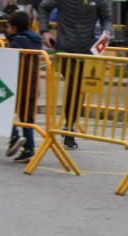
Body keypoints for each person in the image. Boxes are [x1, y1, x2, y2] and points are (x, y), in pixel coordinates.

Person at [37, 0, 113, 150]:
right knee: (73, 85)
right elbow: (43, 7)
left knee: (80, 89)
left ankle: (69, 125)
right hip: (65, 48)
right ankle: (70, 128)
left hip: (87, 50)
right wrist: (44, 31)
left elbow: (107, 18)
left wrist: (107, 33)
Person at [4, 10, 41, 163]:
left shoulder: (16, 42)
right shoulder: (35, 40)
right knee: (28, 117)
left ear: (14, 28)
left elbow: (7, 61)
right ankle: (29, 148)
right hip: (33, 85)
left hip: (18, 84)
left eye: (8, 27)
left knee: (5, 111)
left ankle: (14, 136)